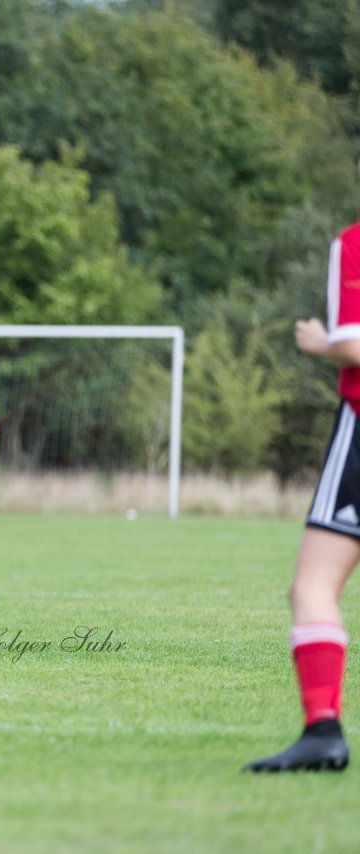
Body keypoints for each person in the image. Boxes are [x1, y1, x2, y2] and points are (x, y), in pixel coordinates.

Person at [244, 224, 360, 772]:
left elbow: (357, 345)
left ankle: (322, 729)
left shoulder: (353, 242)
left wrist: (321, 343)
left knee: (313, 584)